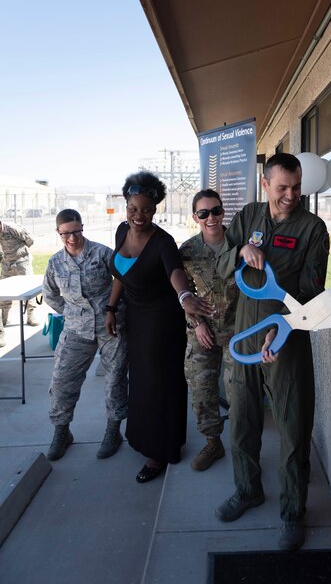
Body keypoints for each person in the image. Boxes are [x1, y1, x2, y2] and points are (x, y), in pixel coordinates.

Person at [215, 153, 329, 551]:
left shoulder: (313, 228)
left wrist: (280, 327)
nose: (290, 195)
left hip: (288, 339)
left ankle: (293, 512)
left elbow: (313, 291)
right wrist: (241, 252)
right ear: (265, 184)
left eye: (296, 188)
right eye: (282, 188)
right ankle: (247, 490)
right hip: (247, 334)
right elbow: (221, 263)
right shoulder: (247, 216)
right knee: (242, 418)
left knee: (293, 426)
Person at [105, 171, 215, 484]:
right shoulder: (120, 231)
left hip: (162, 320)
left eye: (147, 210)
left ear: (156, 209)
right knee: (140, 381)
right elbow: (120, 276)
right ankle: (141, 438)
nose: (139, 216)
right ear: (126, 206)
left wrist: (184, 297)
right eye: (133, 209)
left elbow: (176, 273)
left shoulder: (163, 241)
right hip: (136, 319)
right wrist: (111, 309)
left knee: (160, 384)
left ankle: (161, 450)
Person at [42, 209, 129, 461]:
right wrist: (73, 314)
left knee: (115, 381)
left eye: (76, 231)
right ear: (58, 233)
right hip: (76, 329)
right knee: (61, 381)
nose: (72, 238)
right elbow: (51, 294)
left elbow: (123, 281)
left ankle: (113, 431)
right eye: (66, 233)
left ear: (82, 227)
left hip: (110, 326)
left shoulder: (102, 254)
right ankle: (62, 431)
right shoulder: (55, 262)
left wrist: (114, 310)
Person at [180, 190, 239, 471]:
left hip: (236, 332)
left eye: (215, 211)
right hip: (202, 333)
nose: (210, 218)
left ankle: (243, 445)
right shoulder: (188, 251)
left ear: (223, 211)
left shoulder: (239, 245)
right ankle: (213, 443)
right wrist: (197, 323)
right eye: (203, 213)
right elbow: (183, 294)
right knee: (202, 390)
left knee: (240, 393)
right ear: (195, 217)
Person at [0, 219, 39, 341]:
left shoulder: (12, 228)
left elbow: (30, 240)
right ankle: (4, 317)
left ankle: (30, 315)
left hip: (22, 262)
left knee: (28, 290)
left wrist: (20, 252)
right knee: (4, 292)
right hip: (7, 264)